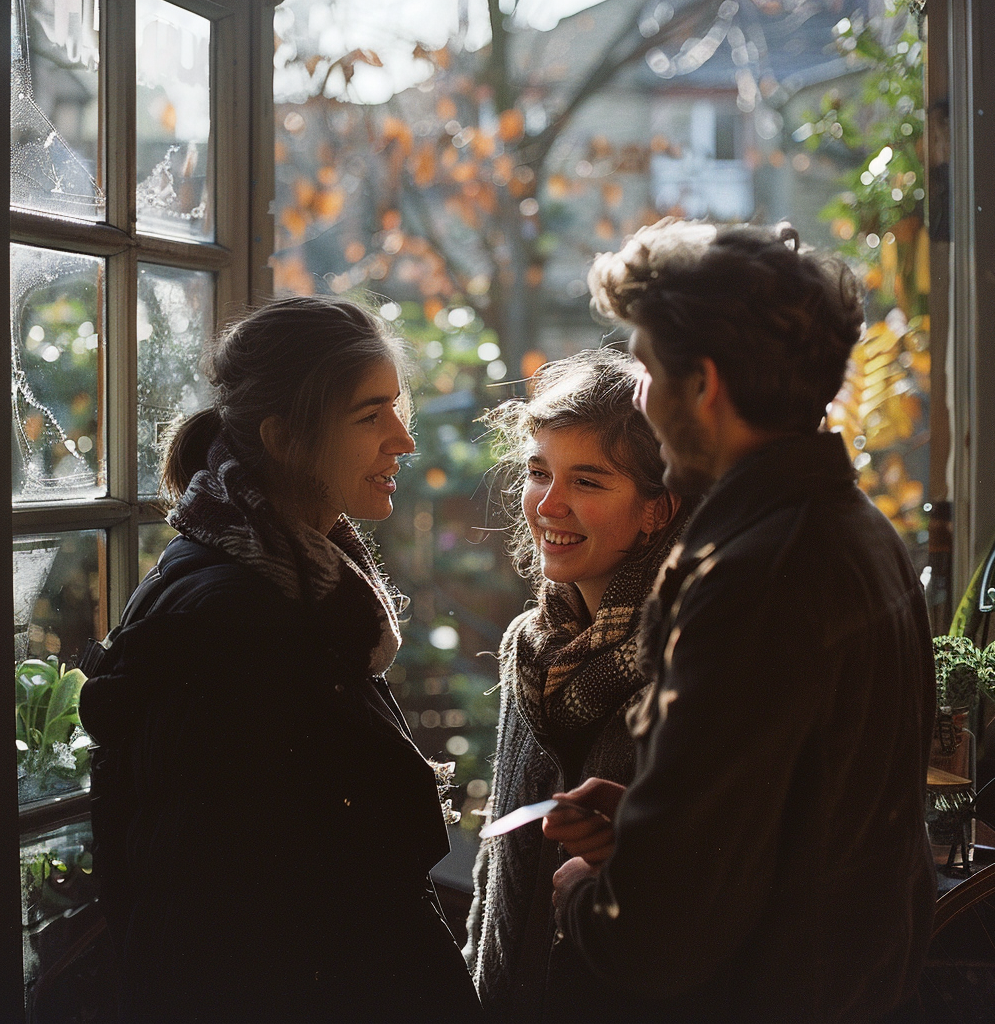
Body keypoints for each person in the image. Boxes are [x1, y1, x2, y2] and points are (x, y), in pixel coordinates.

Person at [545, 221, 937, 1023]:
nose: (642, 400)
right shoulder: (857, 530)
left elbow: (657, 939)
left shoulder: (756, 577)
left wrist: (591, 897)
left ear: (706, 386)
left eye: (648, 369)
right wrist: (657, 818)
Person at [79, 296, 481, 1024]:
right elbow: (225, 912)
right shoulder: (244, 616)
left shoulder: (297, 579)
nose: (403, 441)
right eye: (370, 416)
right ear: (286, 439)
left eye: (398, 408)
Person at [463, 348, 691, 1022]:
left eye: (588, 482)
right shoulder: (527, 646)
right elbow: (497, 881)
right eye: (539, 472)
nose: (549, 504)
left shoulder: (688, 658)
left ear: (657, 508)